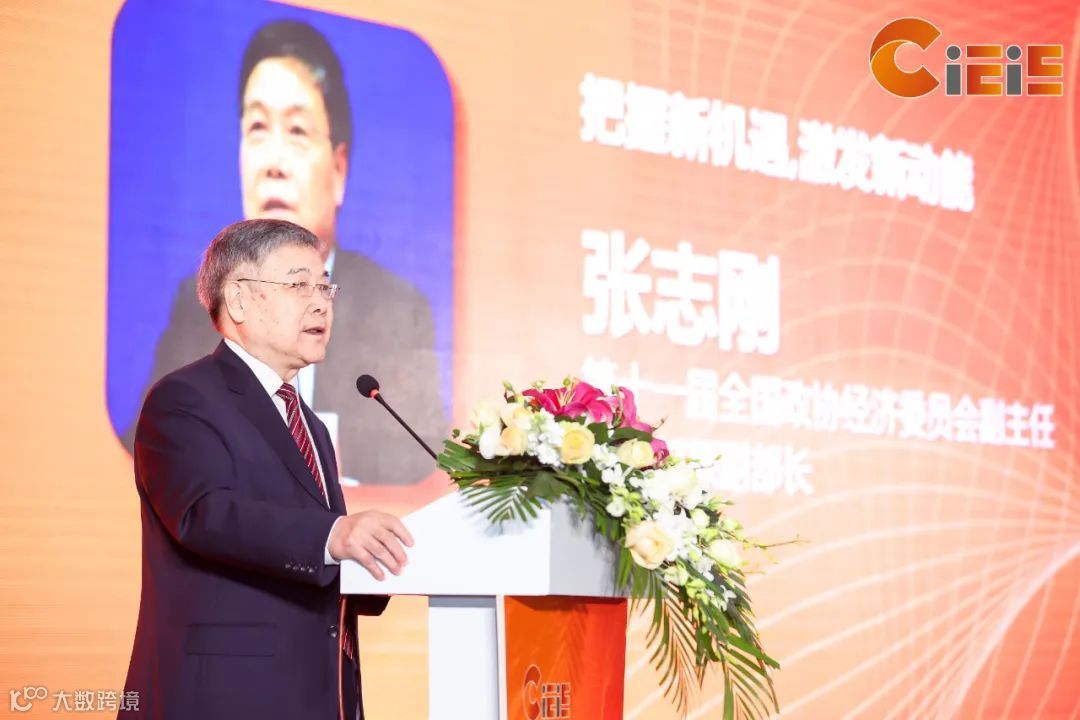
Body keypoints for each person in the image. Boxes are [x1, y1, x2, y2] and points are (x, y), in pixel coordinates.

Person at [122, 19, 446, 487]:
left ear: (339, 169)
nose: (273, 163)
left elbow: (421, 471)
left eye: (296, 130)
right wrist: (333, 528)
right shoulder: (195, 318)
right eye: (257, 127)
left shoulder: (397, 307)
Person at [120, 218, 414, 719]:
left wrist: (379, 562)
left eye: (325, 286)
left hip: (318, 695)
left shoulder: (310, 425)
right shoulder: (184, 399)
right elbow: (205, 515)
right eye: (299, 285)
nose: (321, 303)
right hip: (225, 697)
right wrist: (334, 536)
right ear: (239, 300)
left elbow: (316, 561)